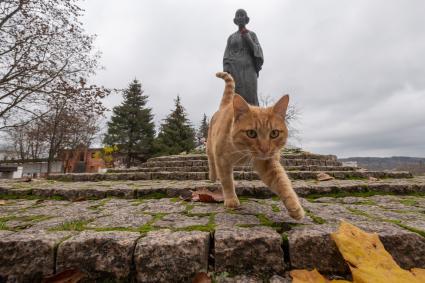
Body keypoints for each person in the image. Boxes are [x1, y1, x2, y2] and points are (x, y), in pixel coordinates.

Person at [223, 9, 264, 106]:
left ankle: (253, 118)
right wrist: (226, 69)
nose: (240, 17)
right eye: (238, 15)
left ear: (246, 19)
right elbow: (226, 55)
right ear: (235, 20)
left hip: (249, 69)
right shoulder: (231, 37)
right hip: (234, 70)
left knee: (251, 95)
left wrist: (248, 39)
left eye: (242, 15)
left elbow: (259, 52)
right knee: (236, 97)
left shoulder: (252, 34)